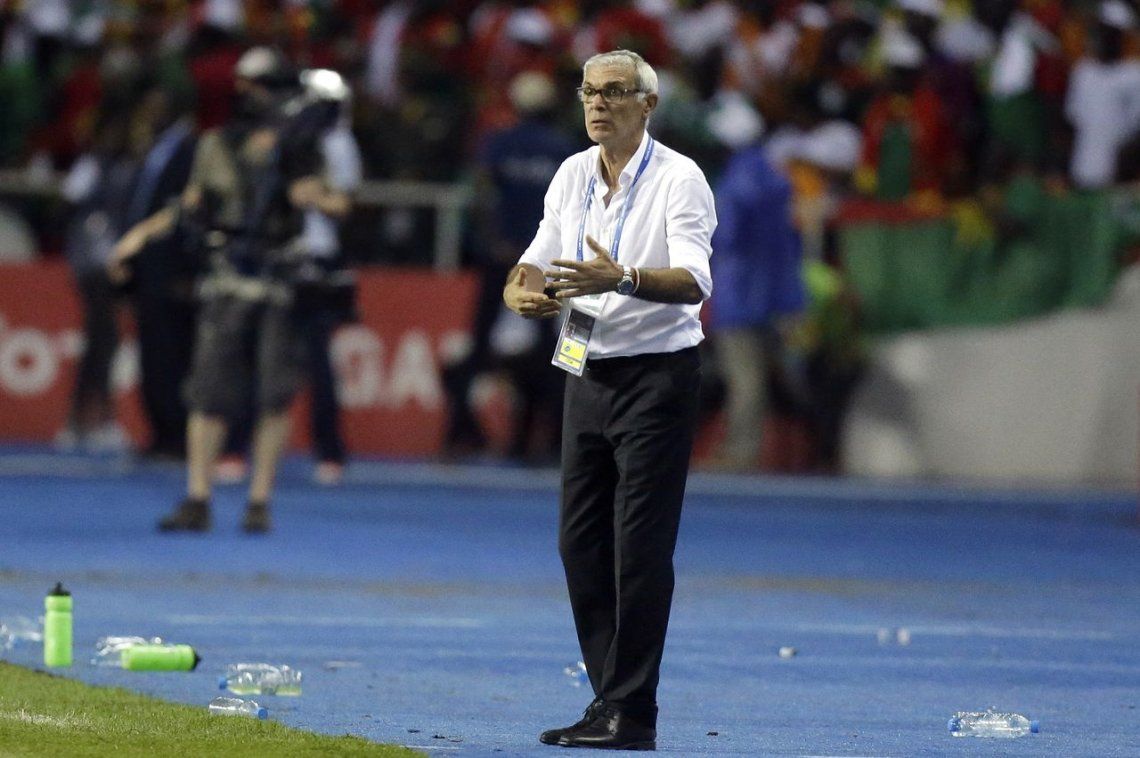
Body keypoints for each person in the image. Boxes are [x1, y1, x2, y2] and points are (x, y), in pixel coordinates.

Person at [503, 49, 716, 750]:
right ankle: (612, 699)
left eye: (616, 92)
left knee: (640, 548)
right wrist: (519, 289)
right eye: (590, 91)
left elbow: (694, 280)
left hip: (657, 375)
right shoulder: (572, 173)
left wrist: (620, 277)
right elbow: (537, 253)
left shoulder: (680, 178)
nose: (598, 103)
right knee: (579, 544)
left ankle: (633, 711)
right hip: (585, 367)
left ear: (647, 104)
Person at [110, 47, 345, 533]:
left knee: (274, 395)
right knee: (210, 392)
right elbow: (192, 204)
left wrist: (316, 196)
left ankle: (259, 500)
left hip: (278, 278)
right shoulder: (218, 144)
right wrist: (140, 236)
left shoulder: (303, 146)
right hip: (228, 275)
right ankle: (199, 495)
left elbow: (337, 202)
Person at [441, 70, 576, 463]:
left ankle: (459, 434)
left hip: (502, 258)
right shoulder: (563, 150)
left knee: (479, 343)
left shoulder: (499, 143)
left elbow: (480, 196)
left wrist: (494, 243)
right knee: (554, 348)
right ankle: (551, 440)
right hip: (548, 261)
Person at [706, 129, 805, 472]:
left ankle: (742, 453)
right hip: (777, 299)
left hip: (737, 299)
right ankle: (796, 451)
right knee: (778, 378)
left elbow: (724, 237)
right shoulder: (778, 187)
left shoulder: (733, 188)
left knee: (745, 379)